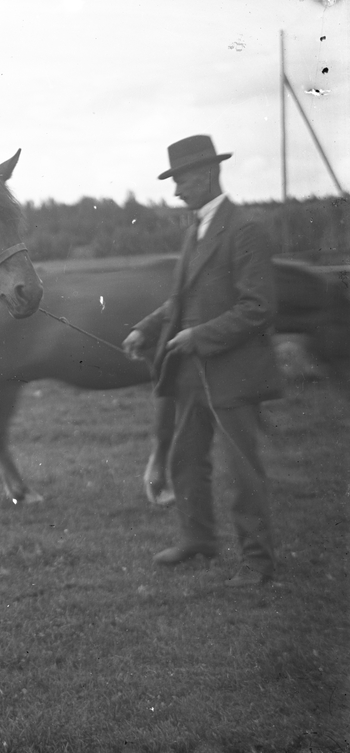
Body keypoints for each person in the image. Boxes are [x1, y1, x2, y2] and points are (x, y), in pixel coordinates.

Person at [121, 135, 282, 588]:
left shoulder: (245, 228)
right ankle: (198, 539)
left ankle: (258, 562)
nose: (175, 191)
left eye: (182, 180)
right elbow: (181, 299)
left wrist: (199, 335)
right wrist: (146, 328)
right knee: (186, 458)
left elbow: (259, 308)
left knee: (242, 470)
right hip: (192, 373)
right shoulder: (195, 229)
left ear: (208, 174)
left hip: (233, 373)